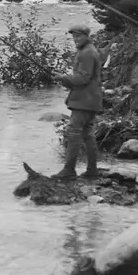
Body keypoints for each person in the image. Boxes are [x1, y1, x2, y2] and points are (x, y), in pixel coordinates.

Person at [52, 25, 104, 180]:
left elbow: (83, 79)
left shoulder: (87, 53)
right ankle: (92, 171)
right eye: (74, 37)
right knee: (88, 134)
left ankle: (69, 170)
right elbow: (85, 79)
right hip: (90, 99)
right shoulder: (89, 50)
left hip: (84, 101)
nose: (75, 40)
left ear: (87, 36)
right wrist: (66, 80)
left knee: (73, 134)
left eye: (78, 36)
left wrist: (63, 77)